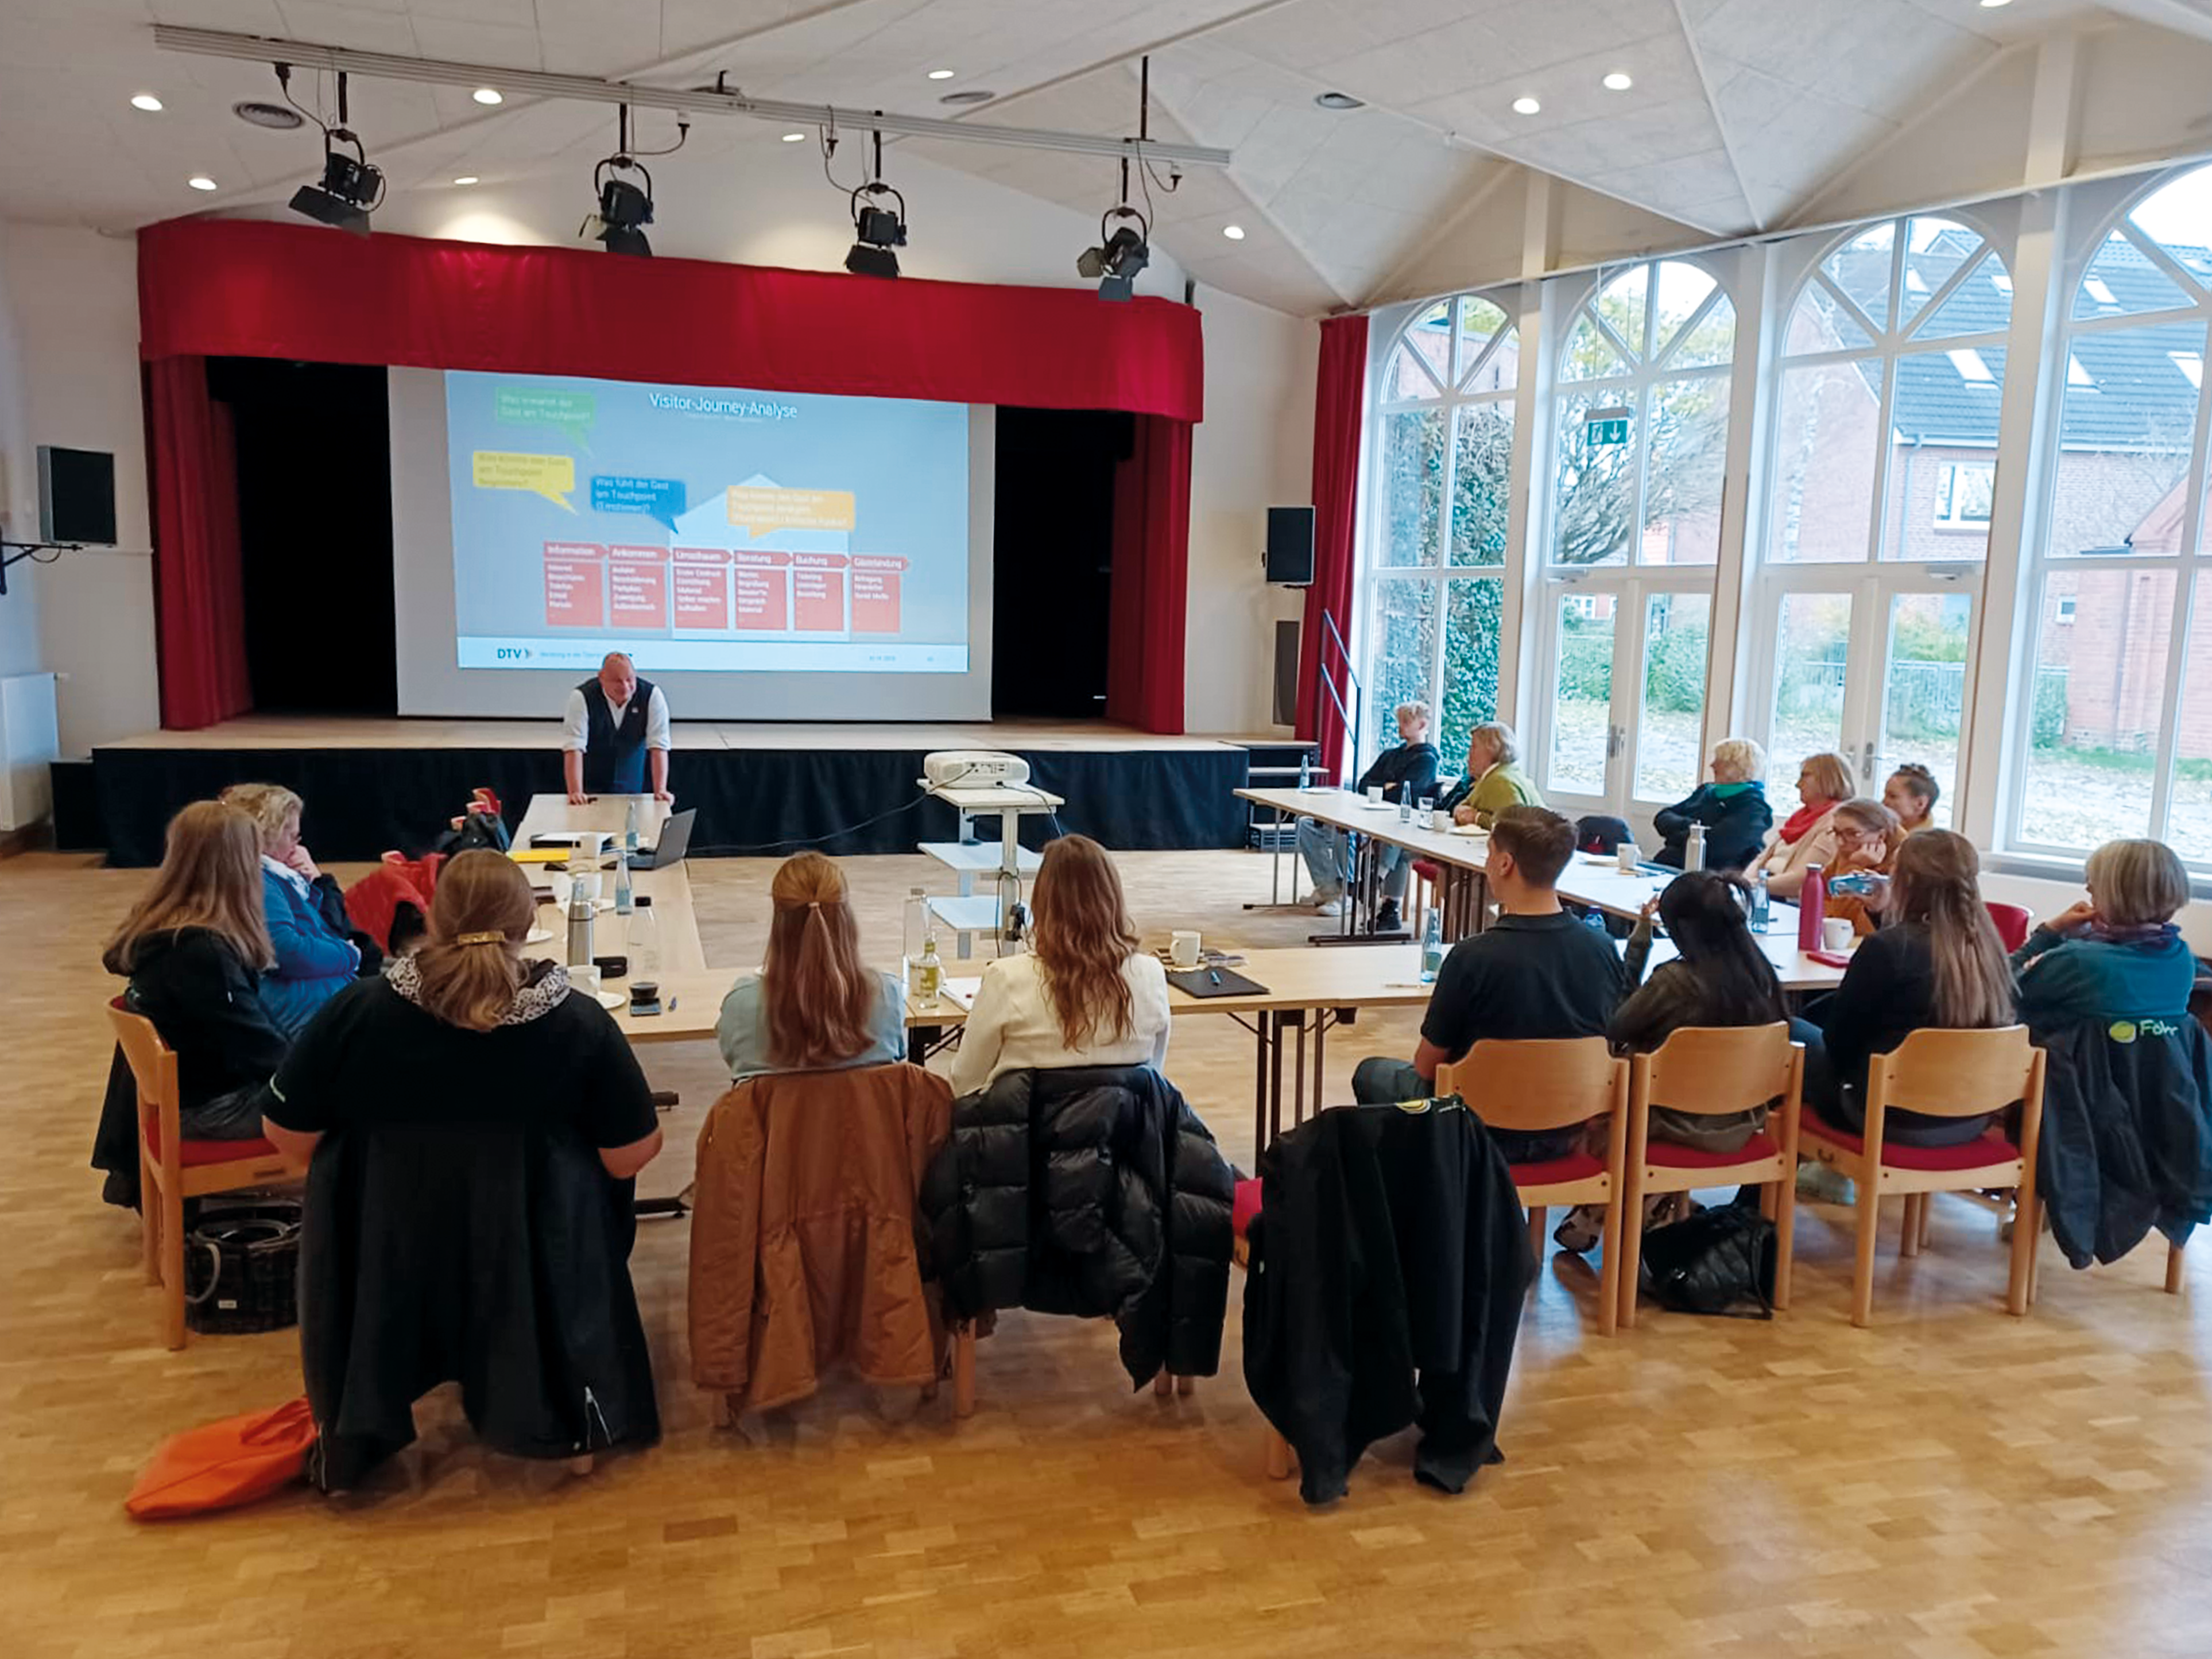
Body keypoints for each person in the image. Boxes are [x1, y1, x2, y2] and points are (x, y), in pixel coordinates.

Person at [256, 850, 663, 1486]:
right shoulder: (576, 1022)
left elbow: (286, 1134)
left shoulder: (358, 1011)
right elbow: (630, 1154)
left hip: (391, 1251)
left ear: (434, 918)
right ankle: (561, 1410)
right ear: (528, 921)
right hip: (532, 1255)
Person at [1351, 805, 1629, 1161]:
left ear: (1505, 864)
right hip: (1569, 1127)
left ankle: (1419, 1193)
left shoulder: (1472, 957)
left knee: (1372, 1073)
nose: (1486, 865)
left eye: (1489, 854)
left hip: (1477, 1132)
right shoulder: (1603, 948)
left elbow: (1426, 1067)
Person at [1554, 870, 1789, 1251]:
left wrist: (1637, 947)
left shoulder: (1676, 981)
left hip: (1667, 1124)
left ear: (1681, 929)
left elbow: (1616, 1024)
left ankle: (1615, 1205)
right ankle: (1652, 1204)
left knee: (1617, 1063)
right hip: (1740, 1124)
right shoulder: (1760, 974)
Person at [2009, 839, 2212, 1269]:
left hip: (2075, 1118)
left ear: (2115, 895)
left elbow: (1998, 988)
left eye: (2094, 885)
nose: (2087, 890)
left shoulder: (2078, 961)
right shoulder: (2179, 959)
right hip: (2158, 1121)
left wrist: (2048, 935)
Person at [96, 802, 290, 1201]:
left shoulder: (162, 929)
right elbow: (261, 1052)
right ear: (236, 865)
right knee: (358, 1103)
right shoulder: (201, 952)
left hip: (191, 1097)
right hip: (213, 1110)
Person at [1803, 830, 2016, 1147]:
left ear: (1907, 882)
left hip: (1885, 1115)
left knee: (1787, 1035)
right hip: (1967, 1117)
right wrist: (1883, 915)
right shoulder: (1989, 947)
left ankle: (1759, 1191)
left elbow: (1839, 1043)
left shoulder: (1888, 948)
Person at [950, 834, 1171, 1096]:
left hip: (1025, 1135)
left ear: (1043, 901)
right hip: (1124, 1133)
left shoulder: (1006, 978)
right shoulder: (1151, 974)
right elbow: (1152, 1075)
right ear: (1114, 899)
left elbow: (965, 1083)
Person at [715, 851, 908, 1081]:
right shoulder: (887, 995)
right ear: (847, 919)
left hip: (777, 1118)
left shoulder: (741, 1004)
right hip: (869, 1118)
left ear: (779, 923)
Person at [219, 782, 367, 1036]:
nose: (297, 846)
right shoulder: (259, 880)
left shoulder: (271, 878)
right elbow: (288, 952)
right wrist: (351, 955)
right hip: (304, 1013)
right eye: (293, 837)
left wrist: (314, 884)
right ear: (269, 835)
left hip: (313, 1001)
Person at [1298, 701, 1439, 929]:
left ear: (1422, 725)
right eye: (1399, 721)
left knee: (1346, 833)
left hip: (1397, 823)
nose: (1400, 727)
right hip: (1371, 813)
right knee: (1307, 825)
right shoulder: (1390, 755)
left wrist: (1384, 787)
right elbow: (1363, 785)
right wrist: (1388, 786)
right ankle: (1330, 888)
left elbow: (1406, 793)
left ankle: (1352, 889)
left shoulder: (1427, 759)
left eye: (1406, 721)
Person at [563, 650, 672, 804]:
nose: (625, 687)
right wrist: (575, 792)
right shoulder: (581, 697)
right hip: (591, 792)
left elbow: (659, 746)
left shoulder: (652, 696)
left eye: (630, 680)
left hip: (633, 792)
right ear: (601, 678)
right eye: (618, 681)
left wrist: (660, 790)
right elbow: (574, 747)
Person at [1652, 738, 1773, 873]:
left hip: (1714, 879)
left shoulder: (1754, 809)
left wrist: (1674, 836)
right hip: (1672, 865)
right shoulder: (1706, 791)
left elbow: (1717, 847)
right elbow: (1662, 818)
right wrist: (1695, 827)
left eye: (1720, 760)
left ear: (1738, 767)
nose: (1712, 765)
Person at [1748, 751, 1854, 901]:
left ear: (1827, 779)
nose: (1797, 784)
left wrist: (1753, 885)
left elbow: (1802, 879)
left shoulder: (1835, 822)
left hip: (1788, 900)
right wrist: (1745, 882)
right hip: (1764, 890)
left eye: (1805, 776)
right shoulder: (1800, 816)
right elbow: (1760, 860)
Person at [1818, 797, 1903, 939]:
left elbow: (1858, 927)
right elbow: (1817, 899)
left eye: (1852, 833)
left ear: (1881, 835)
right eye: (1836, 832)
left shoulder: (1898, 865)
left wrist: (1856, 869)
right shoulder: (1848, 854)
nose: (1840, 842)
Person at [1438, 721, 1543, 831]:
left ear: (1492, 749)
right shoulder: (1503, 774)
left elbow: (1513, 828)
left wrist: (1477, 818)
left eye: (1474, 747)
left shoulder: (1501, 781)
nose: (1469, 754)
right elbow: (1463, 808)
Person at [1883, 763, 1940, 836]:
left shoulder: (1929, 846)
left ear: (1920, 803)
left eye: (1893, 796)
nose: (1884, 802)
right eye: (1885, 795)